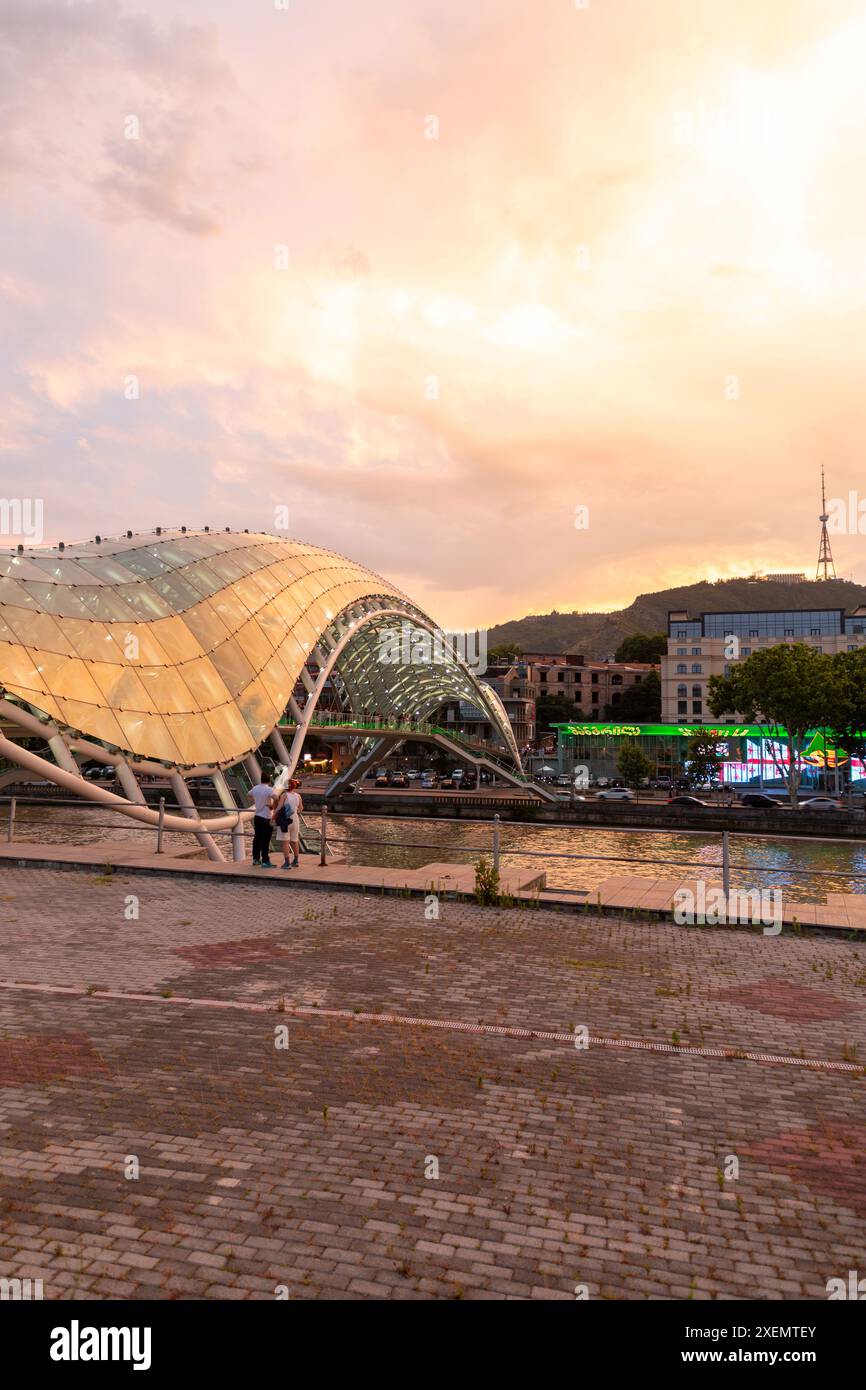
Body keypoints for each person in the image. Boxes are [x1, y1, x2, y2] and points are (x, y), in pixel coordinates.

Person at [272, 778, 303, 869]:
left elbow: (279, 808)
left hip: (284, 820)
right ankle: (296, 861)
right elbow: (301, 809)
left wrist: (273, 816)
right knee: (294, 840)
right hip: (295, 819)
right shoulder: (298, 796)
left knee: (285, 841)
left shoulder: (284, 795)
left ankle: (287, 863)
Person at [248, 773, 275, 867]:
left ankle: (256, 859)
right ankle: (265, 861)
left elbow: (249, 794)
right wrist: (272, 806)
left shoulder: (255, 788)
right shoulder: (269, 789)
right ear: (269, 780)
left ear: (261, 779)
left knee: (257, 838)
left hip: (257, 816)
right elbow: (277, 798)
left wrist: (256, 801)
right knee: (266, 840)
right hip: (266, 817)